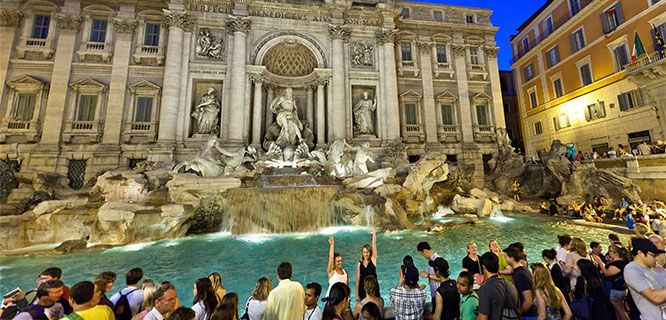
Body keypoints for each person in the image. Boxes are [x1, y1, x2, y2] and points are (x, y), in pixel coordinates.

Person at [624, 238, 666, 320]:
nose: (657, 259)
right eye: (653, 255)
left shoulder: (657, 267)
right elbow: (655, 297)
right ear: (640, 253)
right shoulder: (631, 269)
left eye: (658, 255)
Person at [477, 252, 519, 320]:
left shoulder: (485, 289)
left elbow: (482, 318)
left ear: (483, 267)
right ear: (498, 266)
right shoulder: (511, 285)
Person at [593, 244, 629, 320]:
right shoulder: (621, 262)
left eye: (610, 251)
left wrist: (599, 261)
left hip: (616, 289)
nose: (608, 253)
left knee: (620, 311)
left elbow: (607, 273)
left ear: (615, 253)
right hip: (621, 288)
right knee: (619, 310)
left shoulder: (618, 263)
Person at [504, 244, 537, 319]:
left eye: (506, 257)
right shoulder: (523, 269)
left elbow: (529, 301)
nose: (505, 259)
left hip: (528, 315)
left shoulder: (520, 275)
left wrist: (519, 313)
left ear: (511, 258)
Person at [356, 223, 379, 302]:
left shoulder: (373, 260)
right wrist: (356, 294)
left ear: (370, 252)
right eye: (364, 252)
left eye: (367, 252)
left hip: (373, 287)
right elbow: (358, 279)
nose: (366, 254)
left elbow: (374, 244)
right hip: (363, 288)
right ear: (362, 253)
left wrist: (374, 230)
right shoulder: (360, 263)